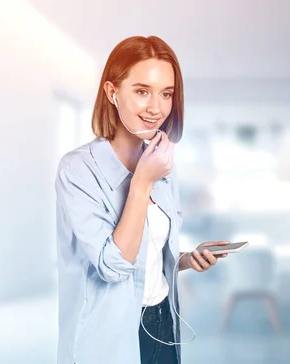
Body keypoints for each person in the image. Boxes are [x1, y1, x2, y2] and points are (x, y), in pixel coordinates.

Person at [55, 35, 229, 364]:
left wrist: (189, 259)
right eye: (141, 91)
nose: (156, 107)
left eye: (166, 94)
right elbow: (113, 265)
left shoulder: (163, 166)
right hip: (107, 333)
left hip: (163, 321)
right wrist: (142, 182)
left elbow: (147, 257)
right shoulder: (77, 170)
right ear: (111, 92)